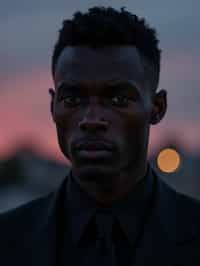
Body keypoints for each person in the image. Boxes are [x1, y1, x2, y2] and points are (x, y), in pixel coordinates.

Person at [0, 6, 200, 266]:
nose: (91, 120)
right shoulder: (7, 240)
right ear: (53, 107)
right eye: (72, 98)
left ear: (157, 107)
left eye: (117, 99)